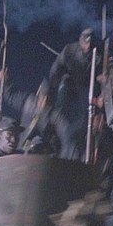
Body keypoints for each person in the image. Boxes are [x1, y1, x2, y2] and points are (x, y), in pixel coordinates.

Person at [47, 28, 97, 160]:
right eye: (85, 42)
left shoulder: (97, 54)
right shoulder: (69, 50)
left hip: (84, 86)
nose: (87, 46)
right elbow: (57, 67)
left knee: (85, 112)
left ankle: (80, 138)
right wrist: (52, 83)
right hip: (68, 80)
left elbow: (99, 75)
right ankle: (54, 134)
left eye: (90, 43)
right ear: (80, 41)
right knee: (61, 105)